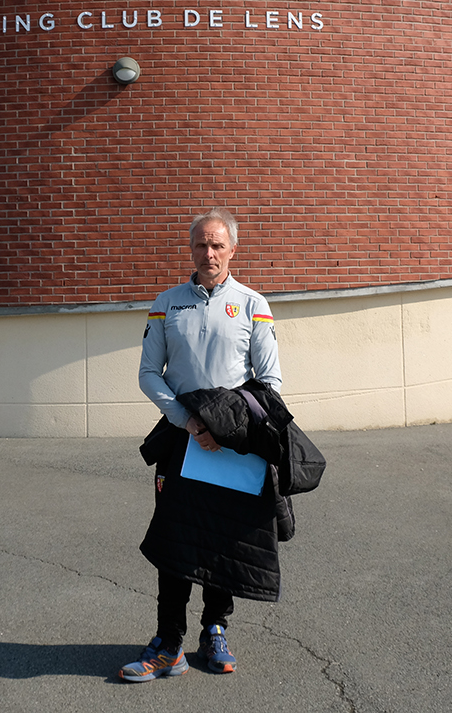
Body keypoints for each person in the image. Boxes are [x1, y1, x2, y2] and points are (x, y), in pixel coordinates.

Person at [120, 207, 283, 682]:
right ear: (190, 249)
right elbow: (150, 373)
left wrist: (224, 426)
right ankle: (168, 643)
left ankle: (215, 629)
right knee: (175, 542)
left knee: (223, 541)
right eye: (200, 245)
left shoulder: (254, 304)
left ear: (233, 249)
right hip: (181, 440)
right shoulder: (166, 303)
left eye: (217, 245)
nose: (208, 253)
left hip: (234, 447)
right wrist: (189, 421)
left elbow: (269, 380)